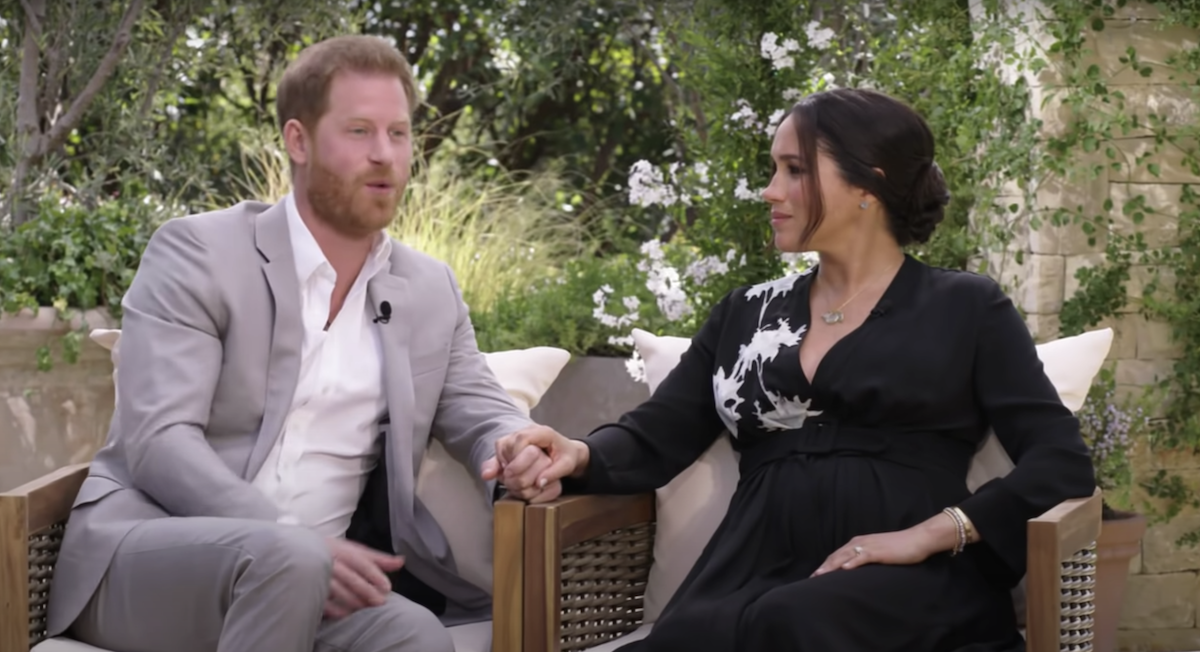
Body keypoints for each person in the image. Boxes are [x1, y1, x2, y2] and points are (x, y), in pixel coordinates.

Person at [485, 88, 1097, 651]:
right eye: (774, 169)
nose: (770, 190)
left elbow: (1059, 462)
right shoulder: (744, 314)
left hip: (909, 581)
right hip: (751, 570)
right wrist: (574, 453)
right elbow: (654, 435)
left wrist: (932, 534)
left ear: (868, 186)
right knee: (697, 635)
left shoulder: (966, 307)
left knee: (794, 622)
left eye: (795, 170)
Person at [46, 35, 551, 652]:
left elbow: (477, 405)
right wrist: (288, 536)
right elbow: (159, 443)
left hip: (315, 581)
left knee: (415, 636)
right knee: (288, 558)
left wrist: (518, 445)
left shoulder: (429, 289)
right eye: (359, 131)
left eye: (398, 133)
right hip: (148, 558)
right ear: (298, 140)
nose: (384, 155)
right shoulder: (199, 253)